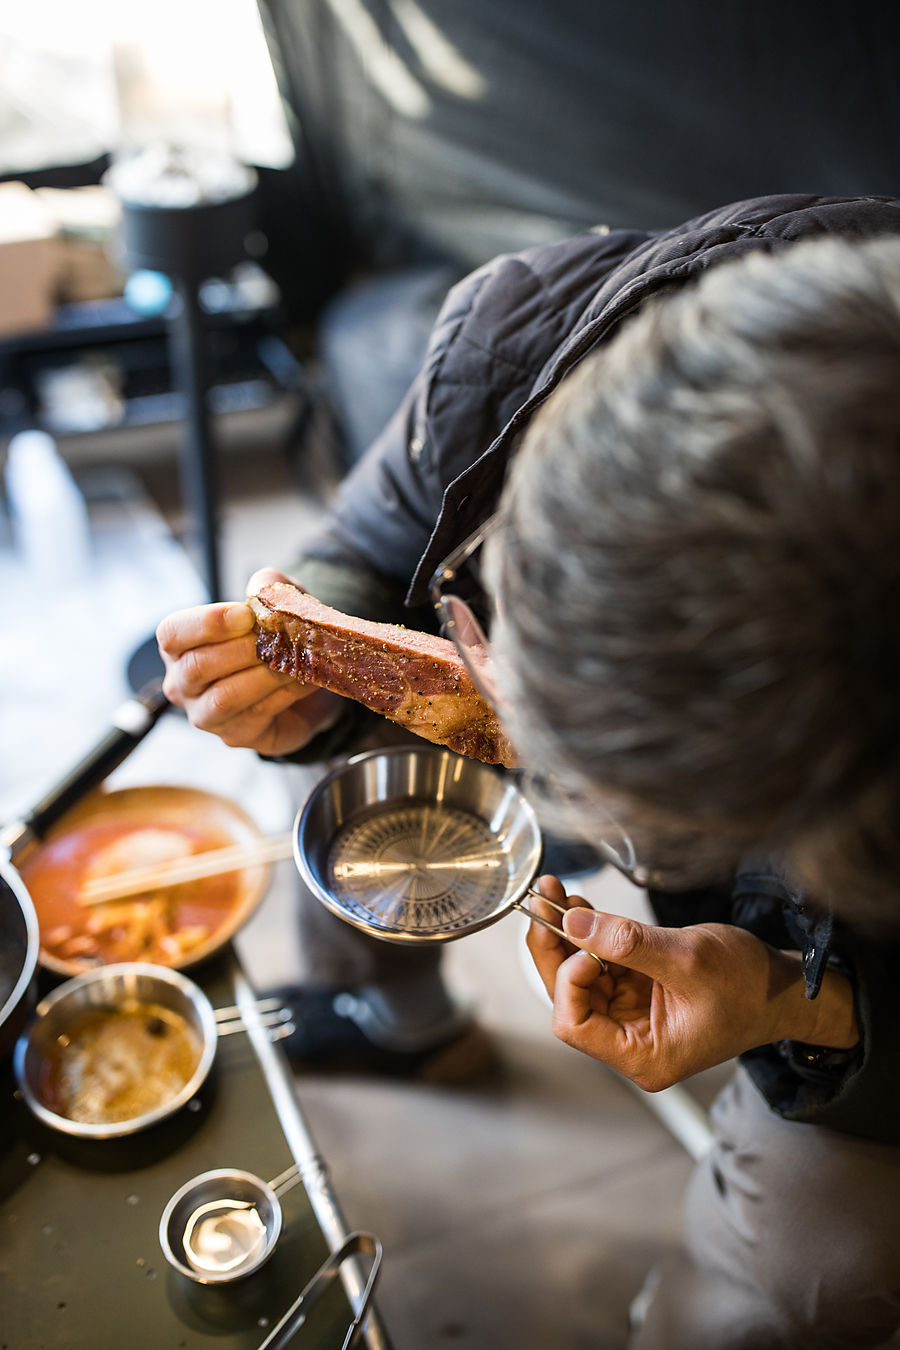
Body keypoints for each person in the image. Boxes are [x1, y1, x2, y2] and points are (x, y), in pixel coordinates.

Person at [158, 194, 900, 1347]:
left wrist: (813, 1004)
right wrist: (315, 662)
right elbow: (368, 544)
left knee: (826, 1253)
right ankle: (398, 1016)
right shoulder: (523, 344)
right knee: (351, 756)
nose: (561, 807)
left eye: (621, 793)